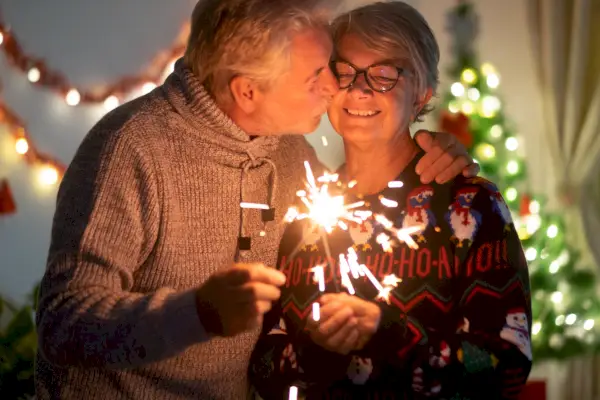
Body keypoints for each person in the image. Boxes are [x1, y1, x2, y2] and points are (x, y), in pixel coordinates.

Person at [35, 1, 480, 399]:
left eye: (331, 65)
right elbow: (62, 322)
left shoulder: (288, 151)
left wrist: (435, 150)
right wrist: (198, 313)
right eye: (316, 75)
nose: (334, 87)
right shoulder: (129, 150)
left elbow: (363, 199)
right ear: (247, 90)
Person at [249, 2, 532, 399]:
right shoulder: (307, 210)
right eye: (346, 71)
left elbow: (508, 363)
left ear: (421, 94)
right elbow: (263, 364)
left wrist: (390, 332)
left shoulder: (468, 203)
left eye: (385, 74)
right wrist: (318, 350)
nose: (361, 89)